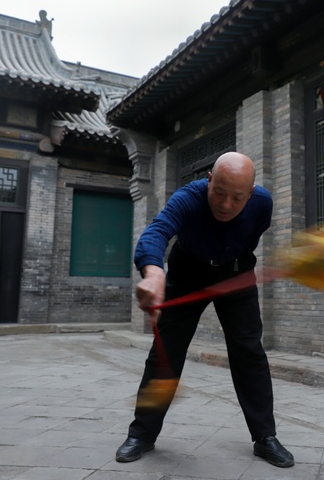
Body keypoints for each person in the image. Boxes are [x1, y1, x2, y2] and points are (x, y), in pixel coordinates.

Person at [115, 152, 294, 468]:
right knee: (166, 351)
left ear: (250, 193)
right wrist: (153, 273)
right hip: (188, 272)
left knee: (249, 351)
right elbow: (156, 232)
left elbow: (250, 235)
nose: (226, 204)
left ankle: (265, 437)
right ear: (209, 180)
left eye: (237, 197)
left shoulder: (262, 203)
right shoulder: (188, 198)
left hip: (235, 272)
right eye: (219, 192)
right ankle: (142, 434)